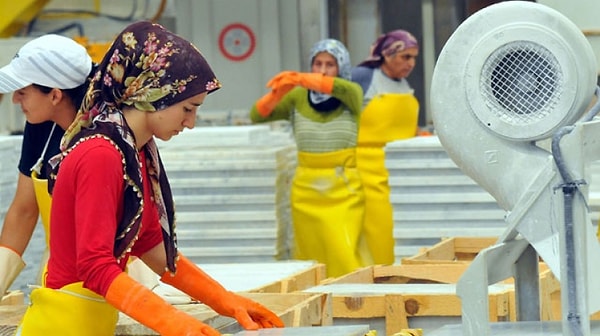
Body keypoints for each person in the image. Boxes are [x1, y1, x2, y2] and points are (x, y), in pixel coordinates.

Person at [15, 21, 284, 335]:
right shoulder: (100, 154)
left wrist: (226, 301)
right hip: (61, 326)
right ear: (152, 96)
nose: (191, 122)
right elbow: (94, 265)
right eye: (188, 108)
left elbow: (150, 244)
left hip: (89, 323)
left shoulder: (135, 153)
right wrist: (174, 323)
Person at [250, 39, 371, 277]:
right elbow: (257, 115)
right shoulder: (297, 98)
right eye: (317, 64)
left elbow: (339, 88)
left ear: (341, 68)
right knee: (309, 253)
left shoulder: (351, 94)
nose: (323, 70)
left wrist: (297, 78)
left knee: (344, 249)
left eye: (330, 64)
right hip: (306, 189)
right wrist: (278, 92)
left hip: (343, 188)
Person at [0, 34, 96, 297]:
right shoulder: (40, 125)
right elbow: (24, 210)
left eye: (22, 92)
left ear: (55, 95)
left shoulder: (105, 140)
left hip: (111, 283)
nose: (14, 101)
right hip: (57, 278)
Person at [351, 29, 421, 265]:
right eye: (406, 57)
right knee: (376, 232)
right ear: (388, 55)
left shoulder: (403, 84)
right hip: (367, 172)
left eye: (414, 58)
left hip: (397, 172)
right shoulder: (363, 77)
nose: (411, 63)